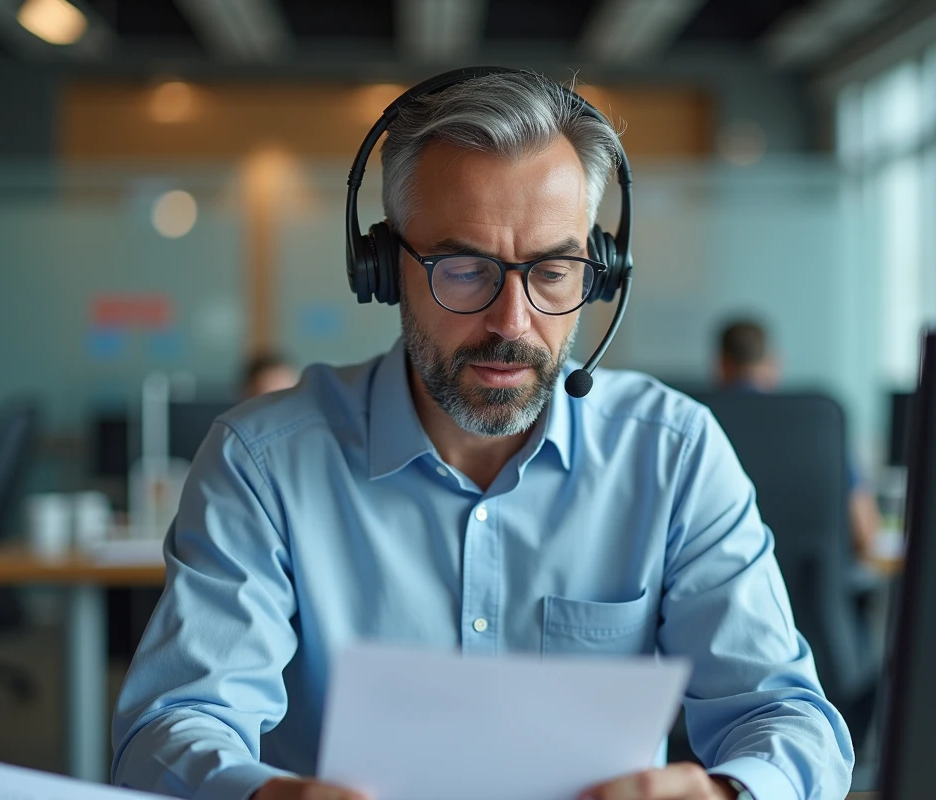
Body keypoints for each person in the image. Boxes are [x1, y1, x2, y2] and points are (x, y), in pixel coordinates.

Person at [113, 71, 854, 800]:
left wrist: (728, 794)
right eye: (464, 269)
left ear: (597, 274)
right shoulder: (263, 463)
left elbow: (788, 720)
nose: (513, 321)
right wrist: (262, 796)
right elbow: (171, 728)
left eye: (554, 270)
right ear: (382, 267)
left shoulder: (672, 453)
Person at [715, 317, 883, 560]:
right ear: (773, 363)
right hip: (813, 593)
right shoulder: (817, 425)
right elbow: (865, 535)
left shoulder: (701, 427)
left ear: (721, 364)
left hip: (725, 592)